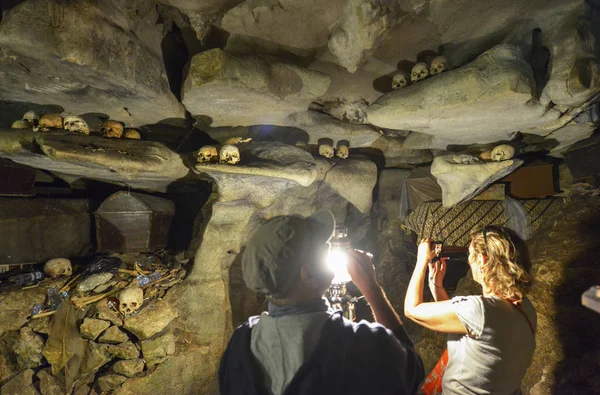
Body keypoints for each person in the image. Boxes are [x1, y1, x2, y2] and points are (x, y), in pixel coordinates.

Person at [219, 210, 424, 395]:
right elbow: (412, 373)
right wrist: (372, 289)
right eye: (322, 248)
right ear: (306, 274)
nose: (329, 246)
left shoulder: (240, 344)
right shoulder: (362, 344)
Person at [404, 226, 537, 394]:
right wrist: (437, 286)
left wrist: (421, 261)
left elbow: (411, 309)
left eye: (470, 254)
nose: (469, 262)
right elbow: (471, 331)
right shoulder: (525, 308)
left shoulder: (479, 310)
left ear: (482, 260)